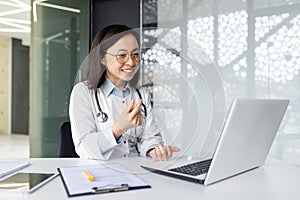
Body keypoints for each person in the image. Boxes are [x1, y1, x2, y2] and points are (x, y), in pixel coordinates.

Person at [69, 24, 180, 161]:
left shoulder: (141, 93)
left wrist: (155, 150)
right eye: (122, 55)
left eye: (135, 55)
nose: (131, 62)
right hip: (99, 172)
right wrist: (119, 128)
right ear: (102, 58)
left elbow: (150, 137)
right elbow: (84, 147)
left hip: (136, 169)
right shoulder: (83, 92)